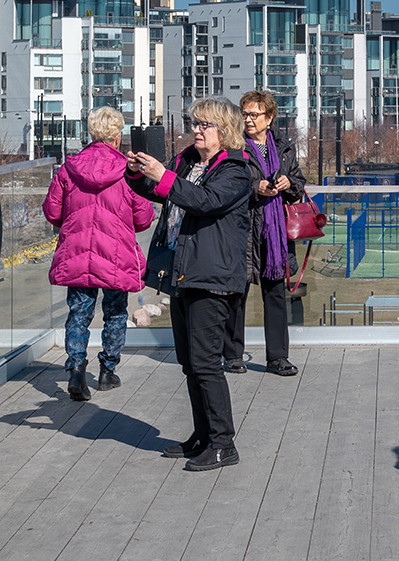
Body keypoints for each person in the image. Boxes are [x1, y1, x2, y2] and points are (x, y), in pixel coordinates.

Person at [127, 97, 251, 471]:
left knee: (206, 364)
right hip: (183, 272)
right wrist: (139, 173)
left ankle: (222, 443)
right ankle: (203, 435)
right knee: (190, 363)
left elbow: (204, 201)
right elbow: (160, 192)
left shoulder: (235, 169)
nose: (196, 129)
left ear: (224, 130)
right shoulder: (187, 160)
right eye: (194, 123)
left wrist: (162, 177)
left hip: (211, 276)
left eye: (204, 125)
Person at [43, 107, 155, 401]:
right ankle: (107, 371)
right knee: (116, 312)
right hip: (116, 255)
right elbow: (144, 218)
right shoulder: (127, 171)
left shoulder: (69, 168)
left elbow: (52, 211)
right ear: (118, 136)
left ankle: (77, 368)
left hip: (77, 251)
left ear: (91, 133)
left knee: (79, 312)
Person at [227, 90, 306, 376]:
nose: (248, 119)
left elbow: (299, 183)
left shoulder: (284, 146)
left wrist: (289, 183)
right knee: (238, 293)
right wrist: (254, 187)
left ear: (269, 118)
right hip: (244, 229)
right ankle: (233, 354)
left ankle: (278, 357)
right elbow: (227, 183)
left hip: (275, 234)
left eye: (254, 114)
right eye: (245, 114)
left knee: (275, 296)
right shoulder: (235, 145)